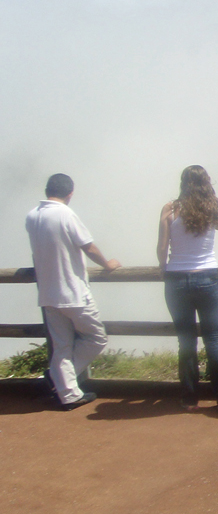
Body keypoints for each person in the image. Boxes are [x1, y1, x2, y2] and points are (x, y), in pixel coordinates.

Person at [25, 173, 121, 410]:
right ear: (70, 193)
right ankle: (60, 382)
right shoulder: (65, 214)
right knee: (97, 338)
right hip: (73, 292)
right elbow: (88, 246)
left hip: (48, 293)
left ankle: (65, 389)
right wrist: (108, 264)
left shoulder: (32, 216)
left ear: (48, 189)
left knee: (62, 346)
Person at [157, 165, 218, 412]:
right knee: (213, 339)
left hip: (177, 279)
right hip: (208, 277)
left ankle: (189, 397)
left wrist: (164, 269)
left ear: (183, 183)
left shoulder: (170, 209)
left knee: (186, 341)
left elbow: (162, 247)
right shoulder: (212, 206)